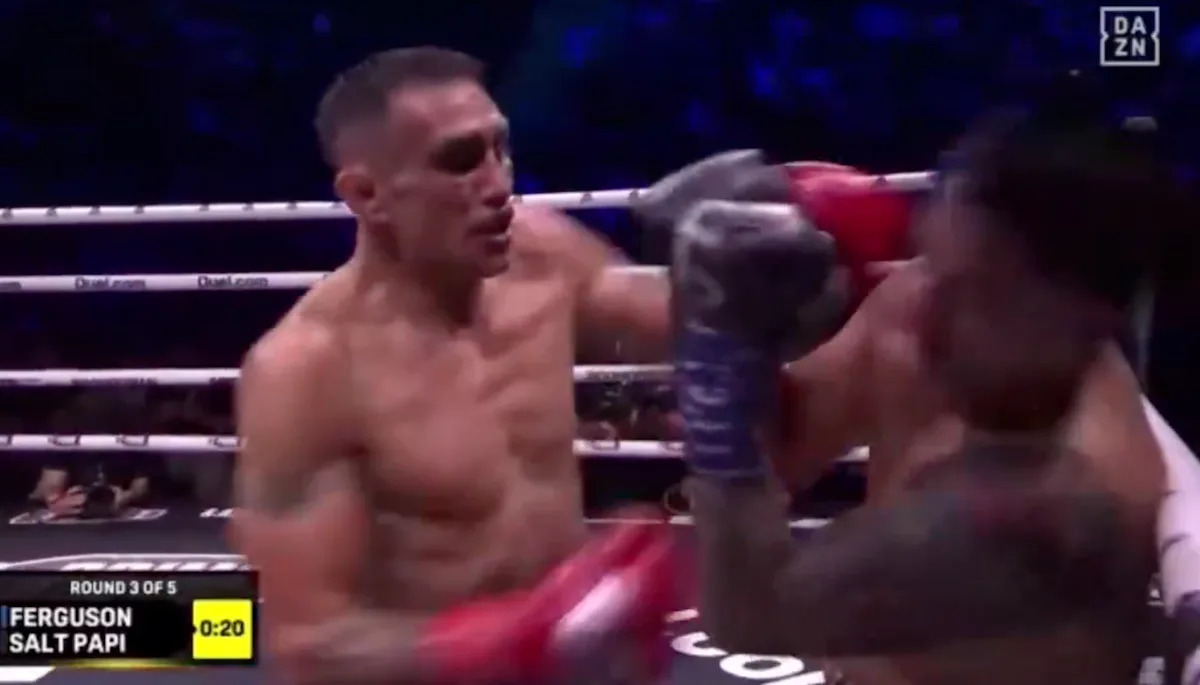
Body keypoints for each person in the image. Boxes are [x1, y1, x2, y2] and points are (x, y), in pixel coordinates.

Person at [676, 109, 1181, 685]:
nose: (925, 321)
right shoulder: (923, 315)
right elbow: (784, 449)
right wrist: (748, 332)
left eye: (972, 291)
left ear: (1082, 312)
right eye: (932, 268)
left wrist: (716, 357)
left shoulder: (1059, 511)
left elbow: (752, 615)